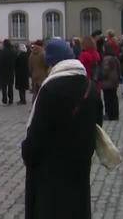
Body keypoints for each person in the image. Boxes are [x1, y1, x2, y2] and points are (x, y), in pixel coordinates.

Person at [22, 39, 103, 219]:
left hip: (51, 171)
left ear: (51, 63)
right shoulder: (90, 87)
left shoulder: (50, 89)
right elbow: (97, 126)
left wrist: (27, 152)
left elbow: (36, 136)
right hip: (79, 167)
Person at [101, 43, 121, 120]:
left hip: (107, 81)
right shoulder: (115, 58)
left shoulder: (106, 58)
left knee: (107, 98)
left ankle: (108, 114)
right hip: (114, 81)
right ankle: (115, 114)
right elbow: (119, 69)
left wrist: (101, 75)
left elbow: (105, 70)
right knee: (114, 98)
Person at [0, 39, 17, 106]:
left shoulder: (3, 52)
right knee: (10, 86)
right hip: (11, 71)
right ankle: (11, 99)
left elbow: (1, 62)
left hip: (4, 71)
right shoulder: (13, 51)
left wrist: (0, 71)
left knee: (4, 87)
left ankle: (4, 100)